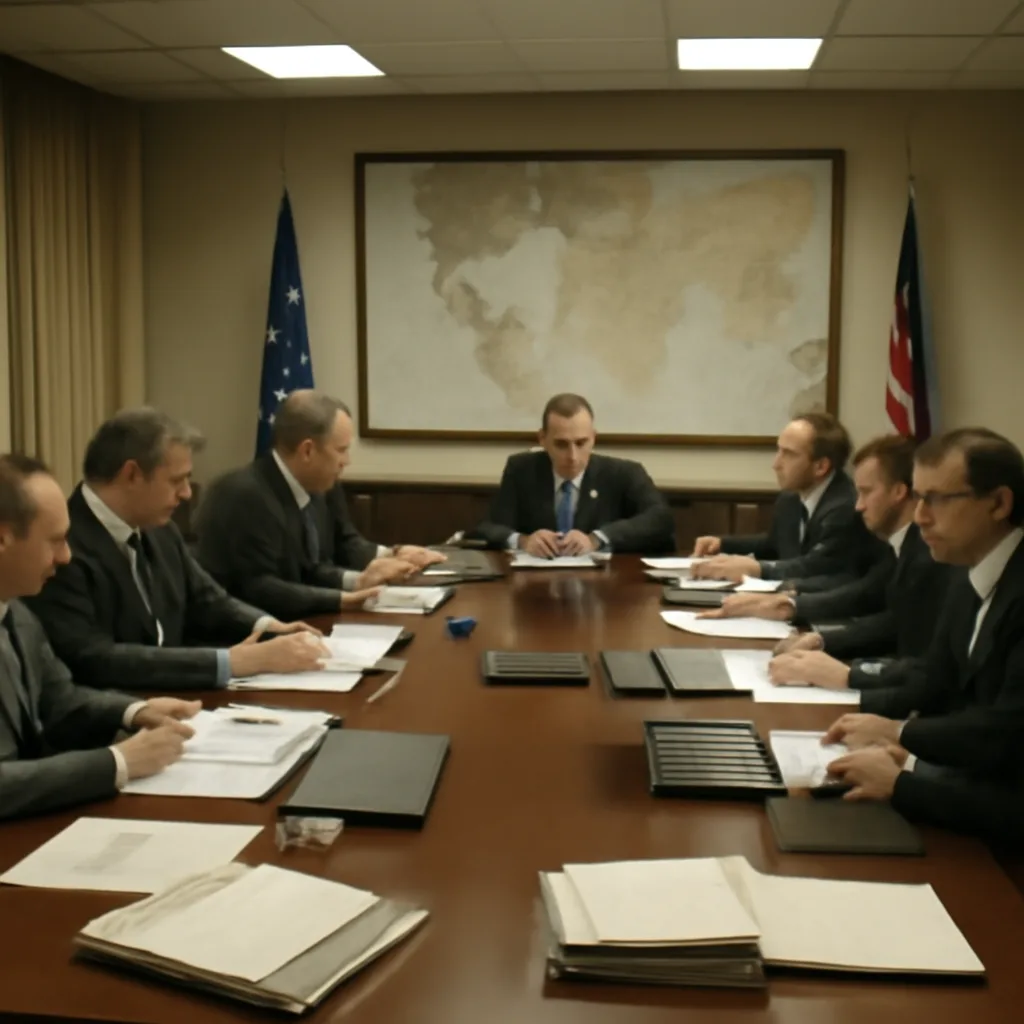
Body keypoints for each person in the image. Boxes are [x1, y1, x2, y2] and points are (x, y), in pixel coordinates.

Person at [26, 409, 329, 691]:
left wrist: (270, 628)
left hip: (178, 702)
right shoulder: (61, 548)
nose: (186, 493)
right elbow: (93, 657)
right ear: (131, 474)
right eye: (177, 480)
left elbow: (207, 599)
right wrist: (231, 662)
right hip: (112, 719)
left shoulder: (160, 529)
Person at [823, 428, 1024, 846]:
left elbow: (1006, 732)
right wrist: (905, 748)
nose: (920, 517)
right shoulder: (967, 570)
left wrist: (903, 754)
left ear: (999, 503)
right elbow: (936, 678)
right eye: (918, 498)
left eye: (937, 499)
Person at [0, 454, 198, 819]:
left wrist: (135, 712)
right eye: (55, 540)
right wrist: (116, 762)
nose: (66, 556)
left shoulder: (16, 609)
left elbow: (60, 696)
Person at [712, 436, 956, 691]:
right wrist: (817, 636)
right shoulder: (902, 544)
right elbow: (877, 600)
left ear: (898, 492)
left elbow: (910, 642)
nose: (858, 505)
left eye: (866, 492)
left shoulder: (931, 552)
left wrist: (850, 674)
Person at [195, 392, 442, 622]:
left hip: (301, 623)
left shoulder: (318, 485)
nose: (347, 462)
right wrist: (344, 599)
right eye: (341, 450)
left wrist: (364, 578)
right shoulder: (244, 495)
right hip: (244, 635)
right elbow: (258, 588)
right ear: (308, 451)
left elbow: (311, 568)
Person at [469, 393, 674, 555]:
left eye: (581, 443)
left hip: (607, 590)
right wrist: (524, 541)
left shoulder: (623, 473)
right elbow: (488, 527)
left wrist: (597, 539)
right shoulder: (522, 469)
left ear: (594, 438)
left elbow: (660, 519)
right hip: (535, 590)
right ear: (542, 439)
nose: (573, 456)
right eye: (561, 444)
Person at [690, 413, 879, 584]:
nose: (776, 464)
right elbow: (774, 545)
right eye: (778, 450)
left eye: (788, 454)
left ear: (820, 466)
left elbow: (816, 567)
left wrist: (756, 568)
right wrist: (722, 544)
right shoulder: (790, 497)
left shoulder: (844, 507)